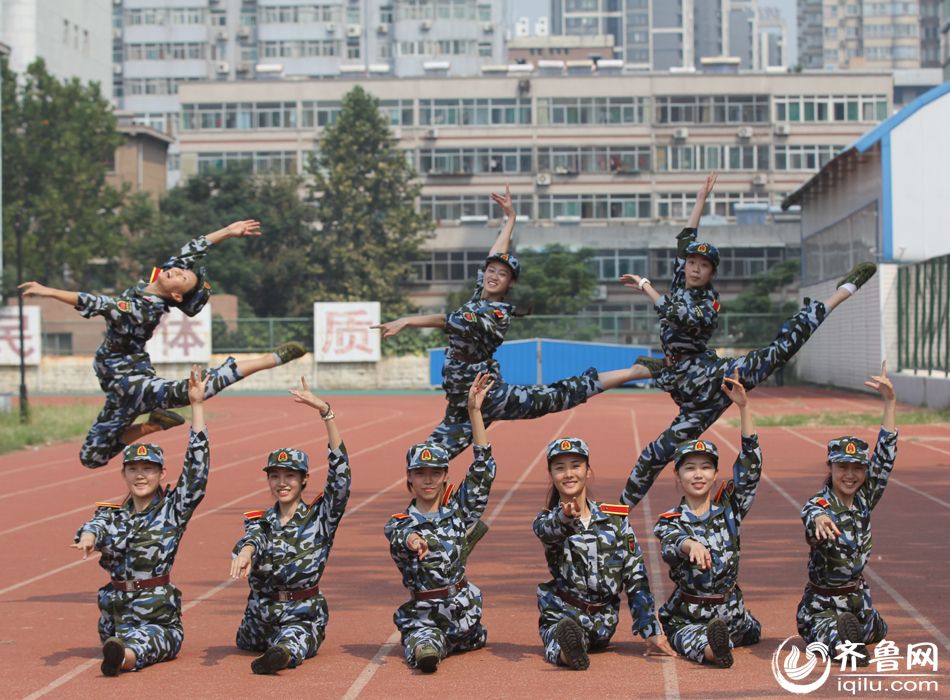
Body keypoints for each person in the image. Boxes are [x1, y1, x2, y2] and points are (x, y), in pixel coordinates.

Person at [619, 173, 876, 508]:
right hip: (685, 389)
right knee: (653, 456)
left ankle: (842, 293)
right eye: (692, 263)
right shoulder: (682, 279)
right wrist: (700, 199)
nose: (695, 269)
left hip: (717, 379)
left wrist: (645, 286)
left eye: (703, 266)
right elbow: (685, 239)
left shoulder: (707, 305)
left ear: (712, 273)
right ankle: (618, 513)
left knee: (780, 350)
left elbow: (674, 313)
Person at [372, 187, 648, 461]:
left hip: (489, 397)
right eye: (490, 271)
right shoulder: (479, 295)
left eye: (502, 274)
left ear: (510, 283)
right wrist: (511, 219)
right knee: (427, 460)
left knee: (561, 394)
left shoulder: (496, 314)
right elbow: (496, 253)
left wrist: (407, 321)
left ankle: (633, 372)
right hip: (461, 404)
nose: (493, 276)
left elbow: (444, 320)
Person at [19, 220, 306, 469]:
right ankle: (153, 424)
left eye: (182, 277)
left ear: (177, 296)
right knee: (92, 457)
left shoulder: (145, 309)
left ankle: (270, 359)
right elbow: (191, 250)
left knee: (192, 391)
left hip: (131, 383)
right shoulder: (163, 278)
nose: (177, 272)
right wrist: (228, 232)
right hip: (118, 388)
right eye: (180, 271)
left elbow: (98, 303)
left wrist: (48, 291)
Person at [72, 365, 209, 676]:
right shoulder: (111, 514)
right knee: (122, 640)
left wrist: (197, 406)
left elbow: (196, 472)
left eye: (148, 469)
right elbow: (95, 526)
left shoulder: (172, 510)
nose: (140, 475)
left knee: (148, 642)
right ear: (124, 474)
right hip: (116, 619)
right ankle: (119, 651)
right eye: (133, 469)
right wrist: (89, 538)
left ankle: (123, 658)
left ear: (161, 474)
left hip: (158, 620)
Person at [229, 377, 350, 675]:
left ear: (304, 479)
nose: (282, 483)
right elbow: (254, 538)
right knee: (246, 642)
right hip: (260, 619)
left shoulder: (320, 518)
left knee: (293, 640)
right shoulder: (259, 520)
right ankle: (276, 647)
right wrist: (245, 552)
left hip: (301, 615)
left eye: (290, 476)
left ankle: (282, 655)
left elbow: (340, 478)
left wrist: (326, 413)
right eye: (275, 476)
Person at [385, 372, 495, 673]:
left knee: (475, 638)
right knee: (426, 645)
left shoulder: (458, 510)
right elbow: (402, 536)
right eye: (420, 473)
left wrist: (474, 412)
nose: (428, 479)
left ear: (446, 475)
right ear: (409, 477)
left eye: (435, 472)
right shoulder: (399, 522)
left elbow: (482, 470)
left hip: (464, 612)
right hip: (426, 615)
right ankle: (428, 649)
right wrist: (414, 541)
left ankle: (457, 639)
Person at [533, 437, 674, 670]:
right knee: (560, 639)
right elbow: (548, 531)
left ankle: (575, 647)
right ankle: (569, 652)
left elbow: (635, 575)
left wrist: (650, 629)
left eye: (576, 466)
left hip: (603, 620)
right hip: (563, 613)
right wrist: (565, 517)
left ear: (588, 471)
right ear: (551, 474)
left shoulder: (615, 519)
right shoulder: (546, 521)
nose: (568, 474)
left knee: (585, 637)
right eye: (560, 468)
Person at [653, 371, 761, 668]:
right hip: (690, 617)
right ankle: (716, 648)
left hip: (732, 614)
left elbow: (750, 468)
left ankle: (732, 633)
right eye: (690, 468)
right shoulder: (669, 520)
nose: (698, 474)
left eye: (705, 467)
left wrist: (744, 407)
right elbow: (673, 542)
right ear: (678, 475)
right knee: (701, 642)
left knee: (752, 631)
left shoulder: (730, 509)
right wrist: (691, 545)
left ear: (715, 475)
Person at [796, 363, 897, 666]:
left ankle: (855, 630)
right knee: (839, 642)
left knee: (879, 630)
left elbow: (885, 457)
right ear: (830, 468)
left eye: (857, 468)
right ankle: (843, 643)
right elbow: (811, 512)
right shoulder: (820, 504)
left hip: (858, 602)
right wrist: (819, 520)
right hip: (822, 606)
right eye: (842, 467)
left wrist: (890, 402)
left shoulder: (864, 498)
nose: (850, 475)